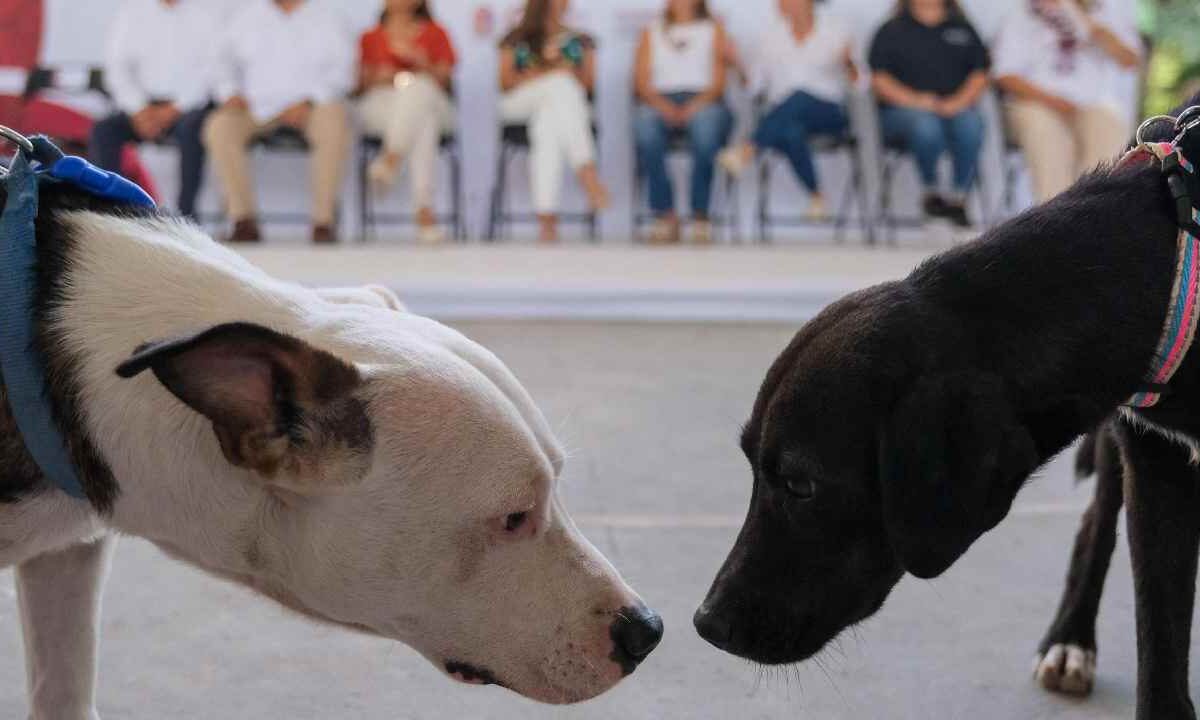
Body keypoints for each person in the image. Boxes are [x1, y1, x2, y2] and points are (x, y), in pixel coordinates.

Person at [203, 0, 355, 244]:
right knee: (220, 127)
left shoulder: (329, 17)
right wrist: (230, 92)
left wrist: (309, 100)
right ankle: (243, 220)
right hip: (255, 107)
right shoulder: (244, 16)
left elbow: (343, 72)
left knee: (335, 121)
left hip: (311, 106)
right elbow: (220, 64)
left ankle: (323, 222)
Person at [718, 0, 858, 222]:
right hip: (783, 116)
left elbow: (859, 84)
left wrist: (849, 63)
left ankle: (748, 149)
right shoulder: (770, 37)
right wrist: (736, 63)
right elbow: (754, 87)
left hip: (828, 112)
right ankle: (817, 197)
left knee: (799, 97)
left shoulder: (836, 31)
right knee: (790, 129)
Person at [995, 0, 1141, 203]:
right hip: (1036, 103)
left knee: (1110, 124)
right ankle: (1054, 218)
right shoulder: (1023, 14)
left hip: (1090, 105)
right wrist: (1052, 101)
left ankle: (1095, 210)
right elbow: (1005, 75)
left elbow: (1129, 60)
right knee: (1047, 134)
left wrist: (1083, 19)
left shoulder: (1104, 13)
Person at [90, 0, 219, 221]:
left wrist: (175, 109)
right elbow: (117, 68)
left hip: (185, 108)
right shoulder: (132, 14)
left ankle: (186, 215)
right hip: (141, 107)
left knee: (193, 130)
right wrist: (139, 108)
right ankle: (112, 210)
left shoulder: (205, 18)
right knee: (104, 130)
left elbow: (210, 72)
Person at [868, 0, 990, 228]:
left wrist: (957, 103)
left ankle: (958, 198)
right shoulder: (892, 30)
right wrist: (917, 101)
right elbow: (879, 80)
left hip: (954, 107)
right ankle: (931, 193)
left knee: (971, 124)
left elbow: (979, 74)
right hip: (903, 111)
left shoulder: (963, 28)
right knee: (926, 125)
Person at [499, 0, 609, 243]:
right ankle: (587, 171)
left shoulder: (580, 39)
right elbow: (506, 82)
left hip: (560, 107)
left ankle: (547, 219)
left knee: (547, 125)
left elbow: (588, 84)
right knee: (561, 84)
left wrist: (540, 73)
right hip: (520, 104)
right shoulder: (515, 38)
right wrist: (553, 72)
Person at [632, 0, 733, 244]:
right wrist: (664, 106)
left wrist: (693, 106)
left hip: (704, 100)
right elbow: (641, 83)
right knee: (644, 127)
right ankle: (665, 214)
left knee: (706, 131)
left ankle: (700, 215)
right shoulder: (651, 31)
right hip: (659, 100)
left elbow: (719, 83)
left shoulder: (714, 30)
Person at [359, 0, 458, 244]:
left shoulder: (436, 33)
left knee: (419, 89)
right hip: (385, 105)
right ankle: (425, 213)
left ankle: (391, 159)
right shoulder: (371, 37)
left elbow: (445, 83)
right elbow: (360, 85)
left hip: (429, 99)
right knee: (423, 121)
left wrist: (423, 63)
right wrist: (379, 76)